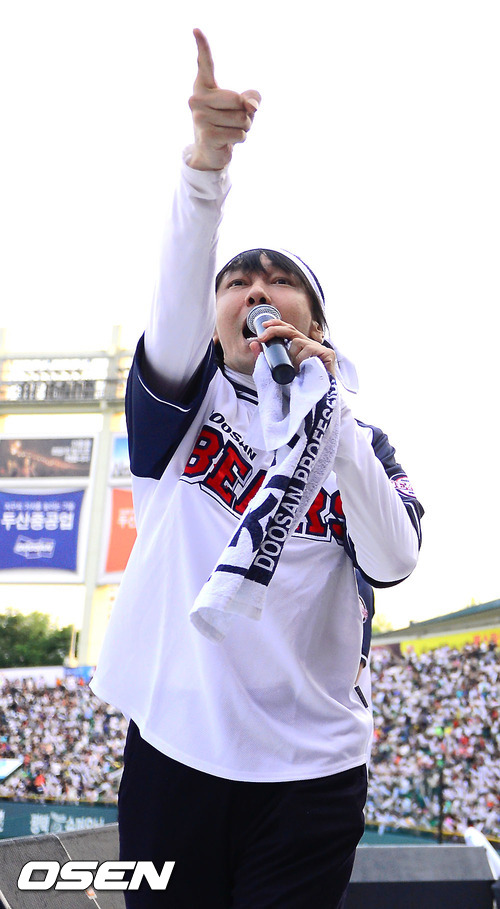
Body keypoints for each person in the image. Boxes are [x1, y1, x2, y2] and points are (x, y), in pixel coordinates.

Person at [91, 29, 423, 909]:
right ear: (213, 318)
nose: (255, 291)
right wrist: (206, 166)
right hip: (177, 748)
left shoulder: (361, 440)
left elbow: (393, 559)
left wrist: (330, 416)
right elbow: (175, 294)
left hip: (313, 770)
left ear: (316, 322)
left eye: (279, 282)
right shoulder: (184, 397)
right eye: (237, 281)